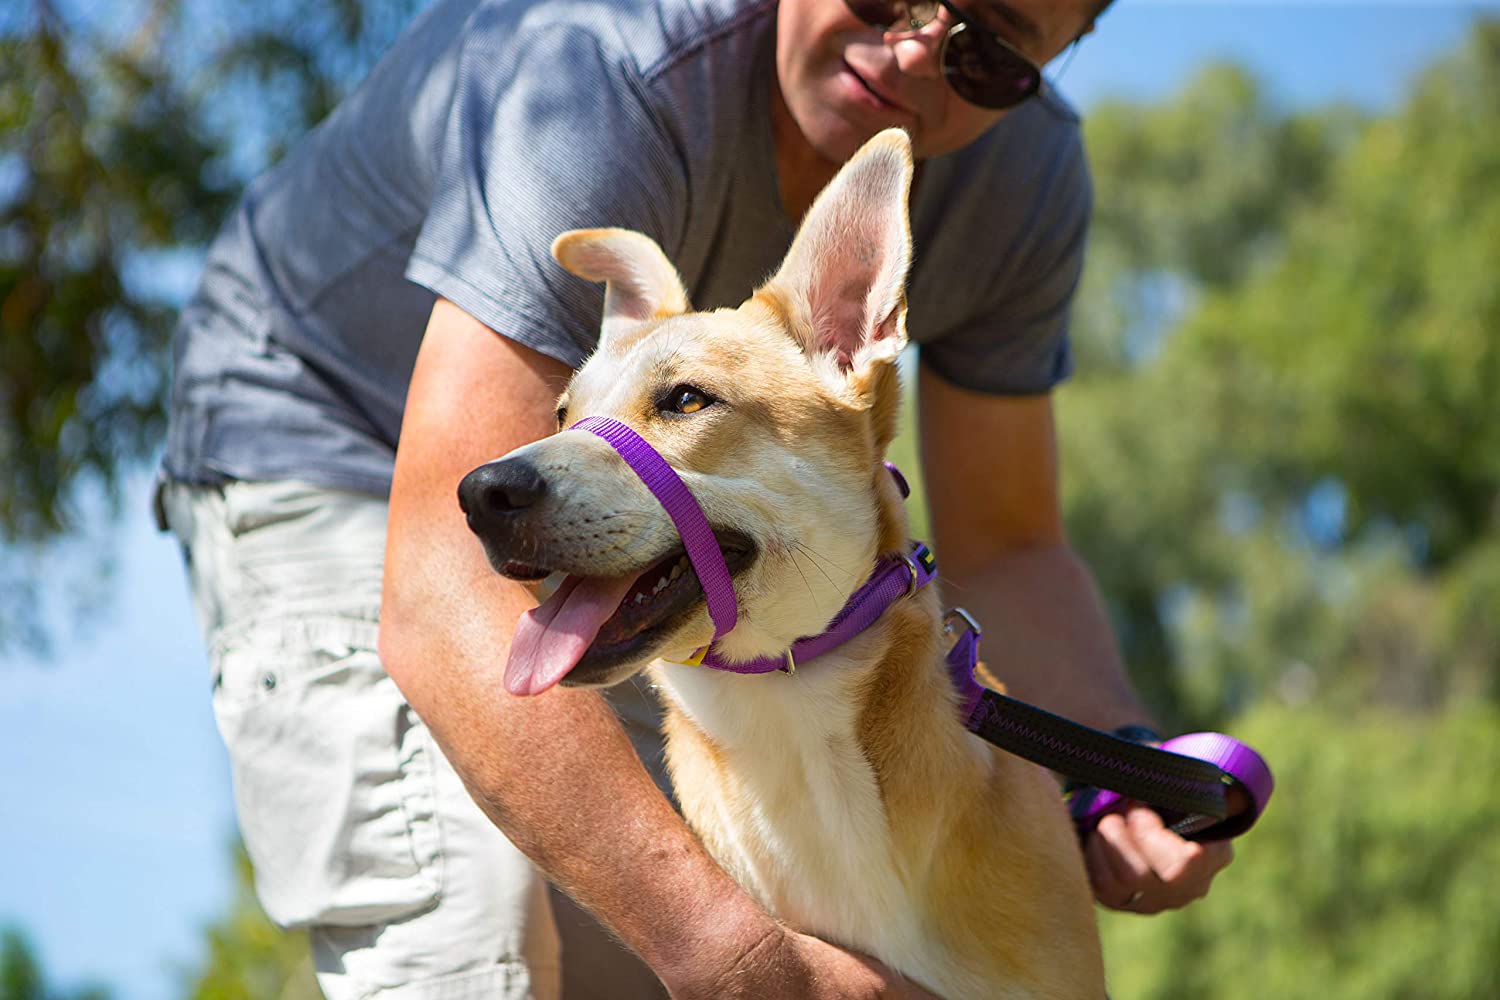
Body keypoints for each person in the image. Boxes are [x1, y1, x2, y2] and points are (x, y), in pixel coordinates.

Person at [156, 0, 1236, 996]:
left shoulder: (1025, 177)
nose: (914, 50)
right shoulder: (604, 71)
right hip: (322, 432)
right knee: (483, 944)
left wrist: (1115, 765)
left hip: (645, 530)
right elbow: (440, 591)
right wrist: (742, 959)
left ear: (1051, 64)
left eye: (991, 49)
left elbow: (1005, 542)